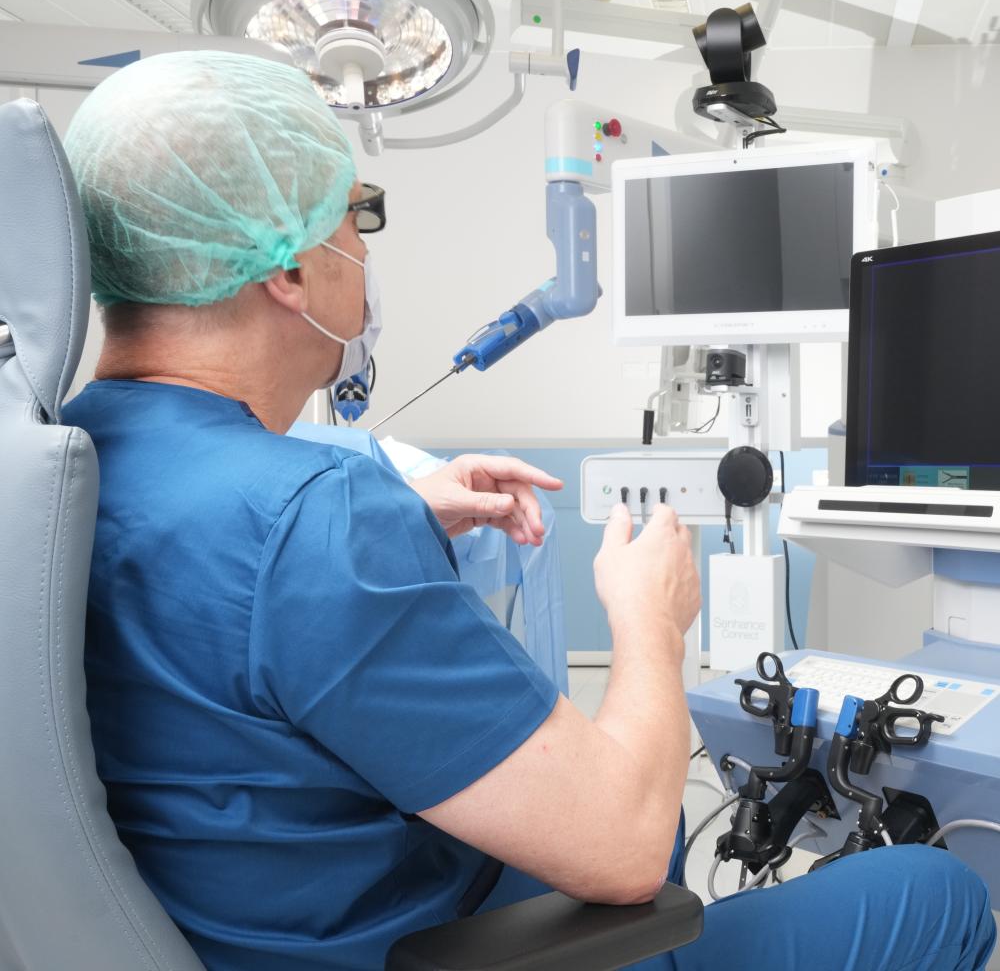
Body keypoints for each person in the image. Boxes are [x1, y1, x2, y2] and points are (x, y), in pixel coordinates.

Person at [61, 50, 995, 971]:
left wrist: (399, 519)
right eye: (358, 217)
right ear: (290, 273)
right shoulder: (315, 520)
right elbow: (624, 853)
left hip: (268, 922)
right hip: (452, 947)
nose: (365, 246)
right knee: (932, 888)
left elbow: (221, 601)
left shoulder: (76, 458)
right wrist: (649, 625)